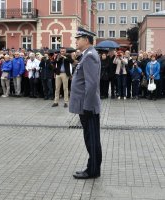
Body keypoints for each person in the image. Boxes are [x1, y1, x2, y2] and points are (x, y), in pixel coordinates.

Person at [69, 27, 102, 179]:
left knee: (92, 138)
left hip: (88, 107)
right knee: (90, 137)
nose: (76, 41)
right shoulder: (86, 55)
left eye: (78, 38)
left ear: (86, 40)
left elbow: (92, 84)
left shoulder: (90, 56)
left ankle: (93, 170)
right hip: (85, 106)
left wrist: (87, 106)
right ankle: (92, 167)